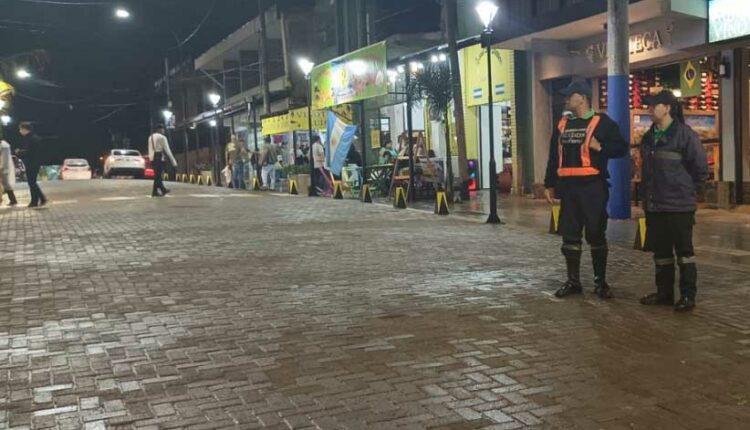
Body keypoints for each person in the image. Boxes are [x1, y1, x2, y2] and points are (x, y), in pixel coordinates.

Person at [543, 78, 629, 299]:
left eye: (570, 95)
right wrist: (549, 184)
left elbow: (621, 147)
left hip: (593, 189)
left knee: (595, 234)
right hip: (568, 189)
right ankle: (573, 281)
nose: (566, 99)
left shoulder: (603, 123)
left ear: (582, 98)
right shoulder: (562, 124)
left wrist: (601, 147)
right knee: (569, 237)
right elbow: (554, 156)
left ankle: (600, 282)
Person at [638, 90, 708, 312]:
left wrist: (687, 191)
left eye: (653, 105)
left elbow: (700, 170)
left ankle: (688, 295)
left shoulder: (685, 135)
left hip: (679, 206)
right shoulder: (649, 137)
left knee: (684, 253)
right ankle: (664, 294)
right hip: (655, 205)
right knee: (661, 253)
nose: (649, 109)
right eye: (648, 105)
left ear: (667, 108)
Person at [16, 122, 47, 207]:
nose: (20, 131)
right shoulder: (34, 138)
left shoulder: (31, 139)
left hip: (32, 163)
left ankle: (37, 200)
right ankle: (38, 199)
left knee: (31, 183)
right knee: (32, 182)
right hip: (34, 163)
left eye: (21, 129)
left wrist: (19, 152)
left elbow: (29, 152)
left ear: (25, 129)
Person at [148, 123, 178, 197]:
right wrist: (174, 162)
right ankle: (158, 190)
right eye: (163, 129)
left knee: (157, 175)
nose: (164, 131)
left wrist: (150, 158)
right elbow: (167, 150)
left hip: (152, 157)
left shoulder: (150, 137)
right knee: (158, 175)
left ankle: (158, 190)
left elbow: (149, 149)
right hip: (158, 157)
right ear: (160, 130)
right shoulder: (162, 137)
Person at [0, 140, 18, 206]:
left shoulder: (4, 145)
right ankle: (12, 200)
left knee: (5, 183)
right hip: (3, 166)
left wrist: (2, 168)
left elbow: (5, 158)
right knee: (5, 184)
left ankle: (13, 200)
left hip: (4, 167)